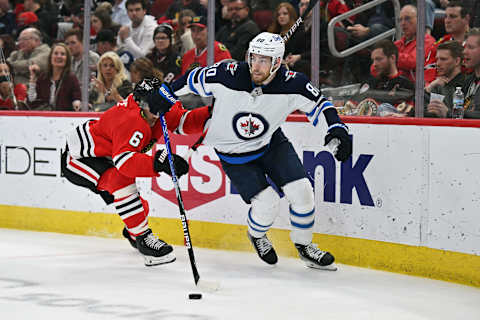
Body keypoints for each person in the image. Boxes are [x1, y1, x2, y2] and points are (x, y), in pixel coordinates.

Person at [172, 32, 352, 269]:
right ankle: (257, 236)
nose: (255, 66)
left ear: (277, 62)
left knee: (303, 192)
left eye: (264, 61)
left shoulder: (293, 84)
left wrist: (337, 128)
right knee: (267, 204)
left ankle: (305, 246)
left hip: (271, 144)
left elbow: (321, 104)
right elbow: (190, 79)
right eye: (253, 58)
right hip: (233, 153)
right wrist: (163, 94)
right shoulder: (229, 75)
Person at [60, 77, 212, 266]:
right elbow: (125, 163)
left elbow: (183, 121)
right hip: (78, 159)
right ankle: (143, 239)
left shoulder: (157, 107)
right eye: (157, 106)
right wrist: (160, 162)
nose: (162, 111)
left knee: (138, 206)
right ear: (142, 103)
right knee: (120, 181)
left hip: (108, 155)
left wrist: (211, 113)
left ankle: (134, 231)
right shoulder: (130, 119)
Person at [425, 1, 471, 85]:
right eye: (445, 16)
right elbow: (428, 69)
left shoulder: (475, 43)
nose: (447, 21)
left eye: (453, 17)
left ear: (466, 18)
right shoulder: (441, 43)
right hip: (438, 90)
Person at [27, 43, 82, 111]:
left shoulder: (71, 78)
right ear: (50, 57)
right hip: (43, 117)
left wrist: (76, 103)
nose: (59, 56)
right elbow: (32, 100)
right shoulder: (43, 77)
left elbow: (77, 98)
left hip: (64, 117)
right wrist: (33, 79)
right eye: (56, 53)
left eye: (62, 54)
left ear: (67, 59)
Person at [425, 41, 465, 118]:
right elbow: (418, 111)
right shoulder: (437, 85)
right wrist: (428, 88)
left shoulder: (467, 85)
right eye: (437, 59)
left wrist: (447, 113)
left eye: (443, 59)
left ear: (457, 61)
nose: (437, 64)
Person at [64, 28, 100, 93]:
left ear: (83, 43)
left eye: (73, 43)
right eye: (67, 44)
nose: (69, 47)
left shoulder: (93, 58)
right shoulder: (68, 60)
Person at [462, 28, 480, 118]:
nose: (464, 52)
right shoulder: (468, 81)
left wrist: (449, 113)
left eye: (471, 47)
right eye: (465, 47)